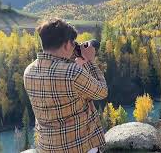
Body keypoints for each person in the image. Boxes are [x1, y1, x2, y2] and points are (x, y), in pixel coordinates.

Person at [23, 19, 108, 153]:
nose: (74, 47)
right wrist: (90, 62)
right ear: (67, 44)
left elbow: (59, 87)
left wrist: (76, 63)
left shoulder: (29, 71)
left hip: (48, 147)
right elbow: (101, 92)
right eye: (73, 43)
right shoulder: (72, 72)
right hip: (80, 147)